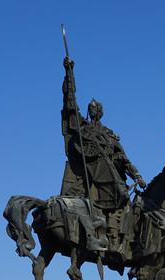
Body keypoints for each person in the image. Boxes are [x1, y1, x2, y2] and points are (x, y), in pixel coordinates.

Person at [60, 57, 146, 251]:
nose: (91, 111)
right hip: (91, 176)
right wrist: (69, 75)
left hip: (110, 179)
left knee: (123, 195)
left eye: (94, 109)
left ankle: (115, 237)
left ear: (100, 112)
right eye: (89, 109)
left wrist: (137, 175)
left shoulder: (108, 134)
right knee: (99, 199)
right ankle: (96, 236)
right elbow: (70, 107)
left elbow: (123, 158)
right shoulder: (83, 128)